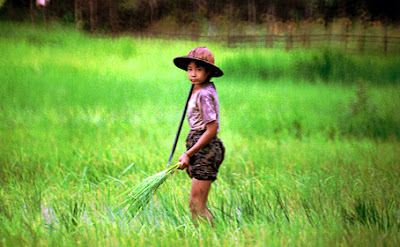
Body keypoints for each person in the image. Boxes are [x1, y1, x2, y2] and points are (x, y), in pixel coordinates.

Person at [173, 47, 225, 223]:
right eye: (189, 69)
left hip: (206, 149)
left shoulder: (203, 94)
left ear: (208, 71)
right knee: (195, 204)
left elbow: (211, 130)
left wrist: (188, 154)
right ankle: (201, 238)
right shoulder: (200, 88)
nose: (193, 74)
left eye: (198, 69)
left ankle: (212, 237)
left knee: (197, 205)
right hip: (199, 146)